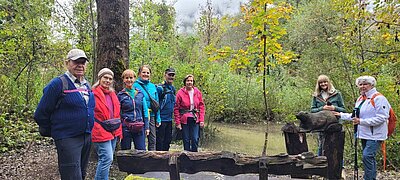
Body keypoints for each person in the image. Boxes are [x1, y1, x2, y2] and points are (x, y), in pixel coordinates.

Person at [34, 48, 95, 180]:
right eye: (76, 62)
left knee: (82, 174)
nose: (80, 65)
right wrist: (58, 132)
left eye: (83, 62)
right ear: (67, 63)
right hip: (68, 139)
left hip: (86, 137)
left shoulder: (87, 85)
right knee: (72, 176)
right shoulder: (58, 84)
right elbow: (40, 113)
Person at [336, 76, 390, 180]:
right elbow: (355, 116)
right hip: (364, 133)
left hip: (376, 134)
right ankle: (370, 177)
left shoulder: (379, 98)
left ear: (372, 85)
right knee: (368, 157)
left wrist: (361, 122)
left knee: (367, 156)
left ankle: (369, 178)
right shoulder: (361, 99)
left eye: (365, 84)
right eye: (360, 84)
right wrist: (340, 115)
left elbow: (382, 118)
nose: (363, 86)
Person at [92, 68, 122, 180]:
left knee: (107, 159)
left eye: (110, 79)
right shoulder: (93, 94)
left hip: (113, 129)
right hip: (100, 129)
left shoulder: (112, 94)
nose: (107, 80)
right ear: (100, 78)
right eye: (105, 77)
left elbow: (117, 112)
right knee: (107, 158)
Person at [311, 75, 346, 156]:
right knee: (321, 145)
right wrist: (322, 108)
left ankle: (339, 166)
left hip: (336, 124)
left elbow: (343, 110)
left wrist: (334, 108)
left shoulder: (337, 94)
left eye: (325, 82)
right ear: (318, 84)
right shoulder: (316, 96)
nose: (323, 84)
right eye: (321, 83)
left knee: (336, 146)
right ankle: (320, 165)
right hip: (321, 125)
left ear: (328, 82)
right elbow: (312, 111)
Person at [118, 69, 149, 150]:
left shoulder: (140, 94)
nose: (129, 80)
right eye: (126, 78)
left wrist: (147, 127)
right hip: (126, 126)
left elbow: (145, 111)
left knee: (141, 151)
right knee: (125, 152)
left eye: (131, 78)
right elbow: (118, 112)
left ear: (134, 79)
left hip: (139, 126)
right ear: (123, 80)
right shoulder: (120, 95)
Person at [174, 74, 205, 152]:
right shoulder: (180, 93)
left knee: (195, 139)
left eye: (191, 81)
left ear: (193, 82)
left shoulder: (197, 92)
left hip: (195, 118)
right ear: (185, 82)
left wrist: (202, 120)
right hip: (184, 119)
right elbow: (176, 108)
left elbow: (201, 106)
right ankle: (186, 158)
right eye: (188, 81)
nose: (189, 82)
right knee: (186, 140)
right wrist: (178, 123)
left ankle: (195, 157)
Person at [133, 65, 161, 151]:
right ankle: (141, 158)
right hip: (139, 115)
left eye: (148, 73)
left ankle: (152, 160)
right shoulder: (134, 85)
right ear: (139, 73)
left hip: (151, 115)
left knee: (152, 139)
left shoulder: (153, 86)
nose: (146, 74)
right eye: (143, 72)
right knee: (141, 138)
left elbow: (157, 103)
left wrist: (158, 118)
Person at [156, 68, 176, 151]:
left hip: (169, 119)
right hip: (161, 119)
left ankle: (166, 159)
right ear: (165, 75)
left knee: (168, 140)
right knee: (160, 140)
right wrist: (157, 118)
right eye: (169, 75)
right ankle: (158, 159)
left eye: (172, 75)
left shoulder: (173, 89)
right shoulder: (160, 88)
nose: (171, 77)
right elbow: (156, 103)